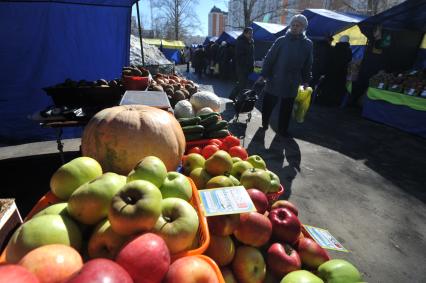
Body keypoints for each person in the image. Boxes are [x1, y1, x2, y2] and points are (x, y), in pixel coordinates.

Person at [258, 14, 313, 137]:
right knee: (268, 104)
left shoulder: (308, 44)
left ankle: (282, 130)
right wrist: (264, 74)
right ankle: (264, 123)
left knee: (287, 108)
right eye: (293, 24)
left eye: (298, 25)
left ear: (303, 28)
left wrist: (306, 80)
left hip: (292, 81)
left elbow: (308, 63)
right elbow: (269, 58)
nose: (294, 27)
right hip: (275, 78)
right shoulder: (281, 40)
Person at [317, 35, 352, 106]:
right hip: (341, 73)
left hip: (330, 71)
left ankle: (323, 100)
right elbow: (349, 60)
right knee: (337, 88)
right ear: (348, 41)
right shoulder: (348, 51)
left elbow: (328, 60)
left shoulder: (333, 49)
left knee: (328, 86)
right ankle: (334, 102)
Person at [229, 27, 254, 102]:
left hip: (248, 66)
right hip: (241, 66)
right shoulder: (240, 41)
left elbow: (251, 54)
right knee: (242, 84)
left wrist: (252, 63)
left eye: (252, 33)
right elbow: (239, 55)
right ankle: (241, 100)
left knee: (242, 83)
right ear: (245, 33)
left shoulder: (251, 41)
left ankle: (232, 95)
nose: (251, 35)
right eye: (249, 33)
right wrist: (246, 64)